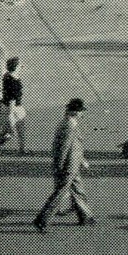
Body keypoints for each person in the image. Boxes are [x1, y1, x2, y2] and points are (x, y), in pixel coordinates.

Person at [33, 98, 96, 232]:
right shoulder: (69, 125)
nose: (82, 114)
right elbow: (64, 147)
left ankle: (85, 217)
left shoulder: (67, 122)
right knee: (61, 192)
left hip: (74, 162)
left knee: (79, 191)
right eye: (80, 111)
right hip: (69, 165)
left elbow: (73, 145)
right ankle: (42, 220)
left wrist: (82, 159)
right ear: (75, 112)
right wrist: (60, 166)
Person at [0, 57, 27, 155]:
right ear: (16, 67)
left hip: (4, 106)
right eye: (19, 65)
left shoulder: (6, 76)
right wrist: (11, 117)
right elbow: (12, 102)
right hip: (14, 109)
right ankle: (21, 149)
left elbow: (12, 74)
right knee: (19, 129)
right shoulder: (15, 83)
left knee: (0, 130)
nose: (21, 66)